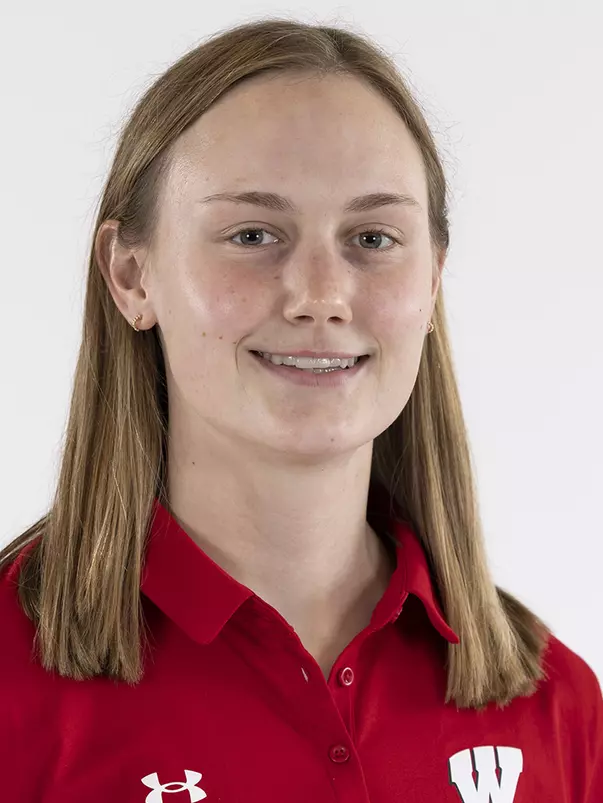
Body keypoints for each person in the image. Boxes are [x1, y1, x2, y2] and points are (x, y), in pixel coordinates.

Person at [0, 17, 601, 803]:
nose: (320, 294)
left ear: (431, 281)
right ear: (131, 274)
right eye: (253, 234)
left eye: (373, 238)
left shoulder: (554, 708)